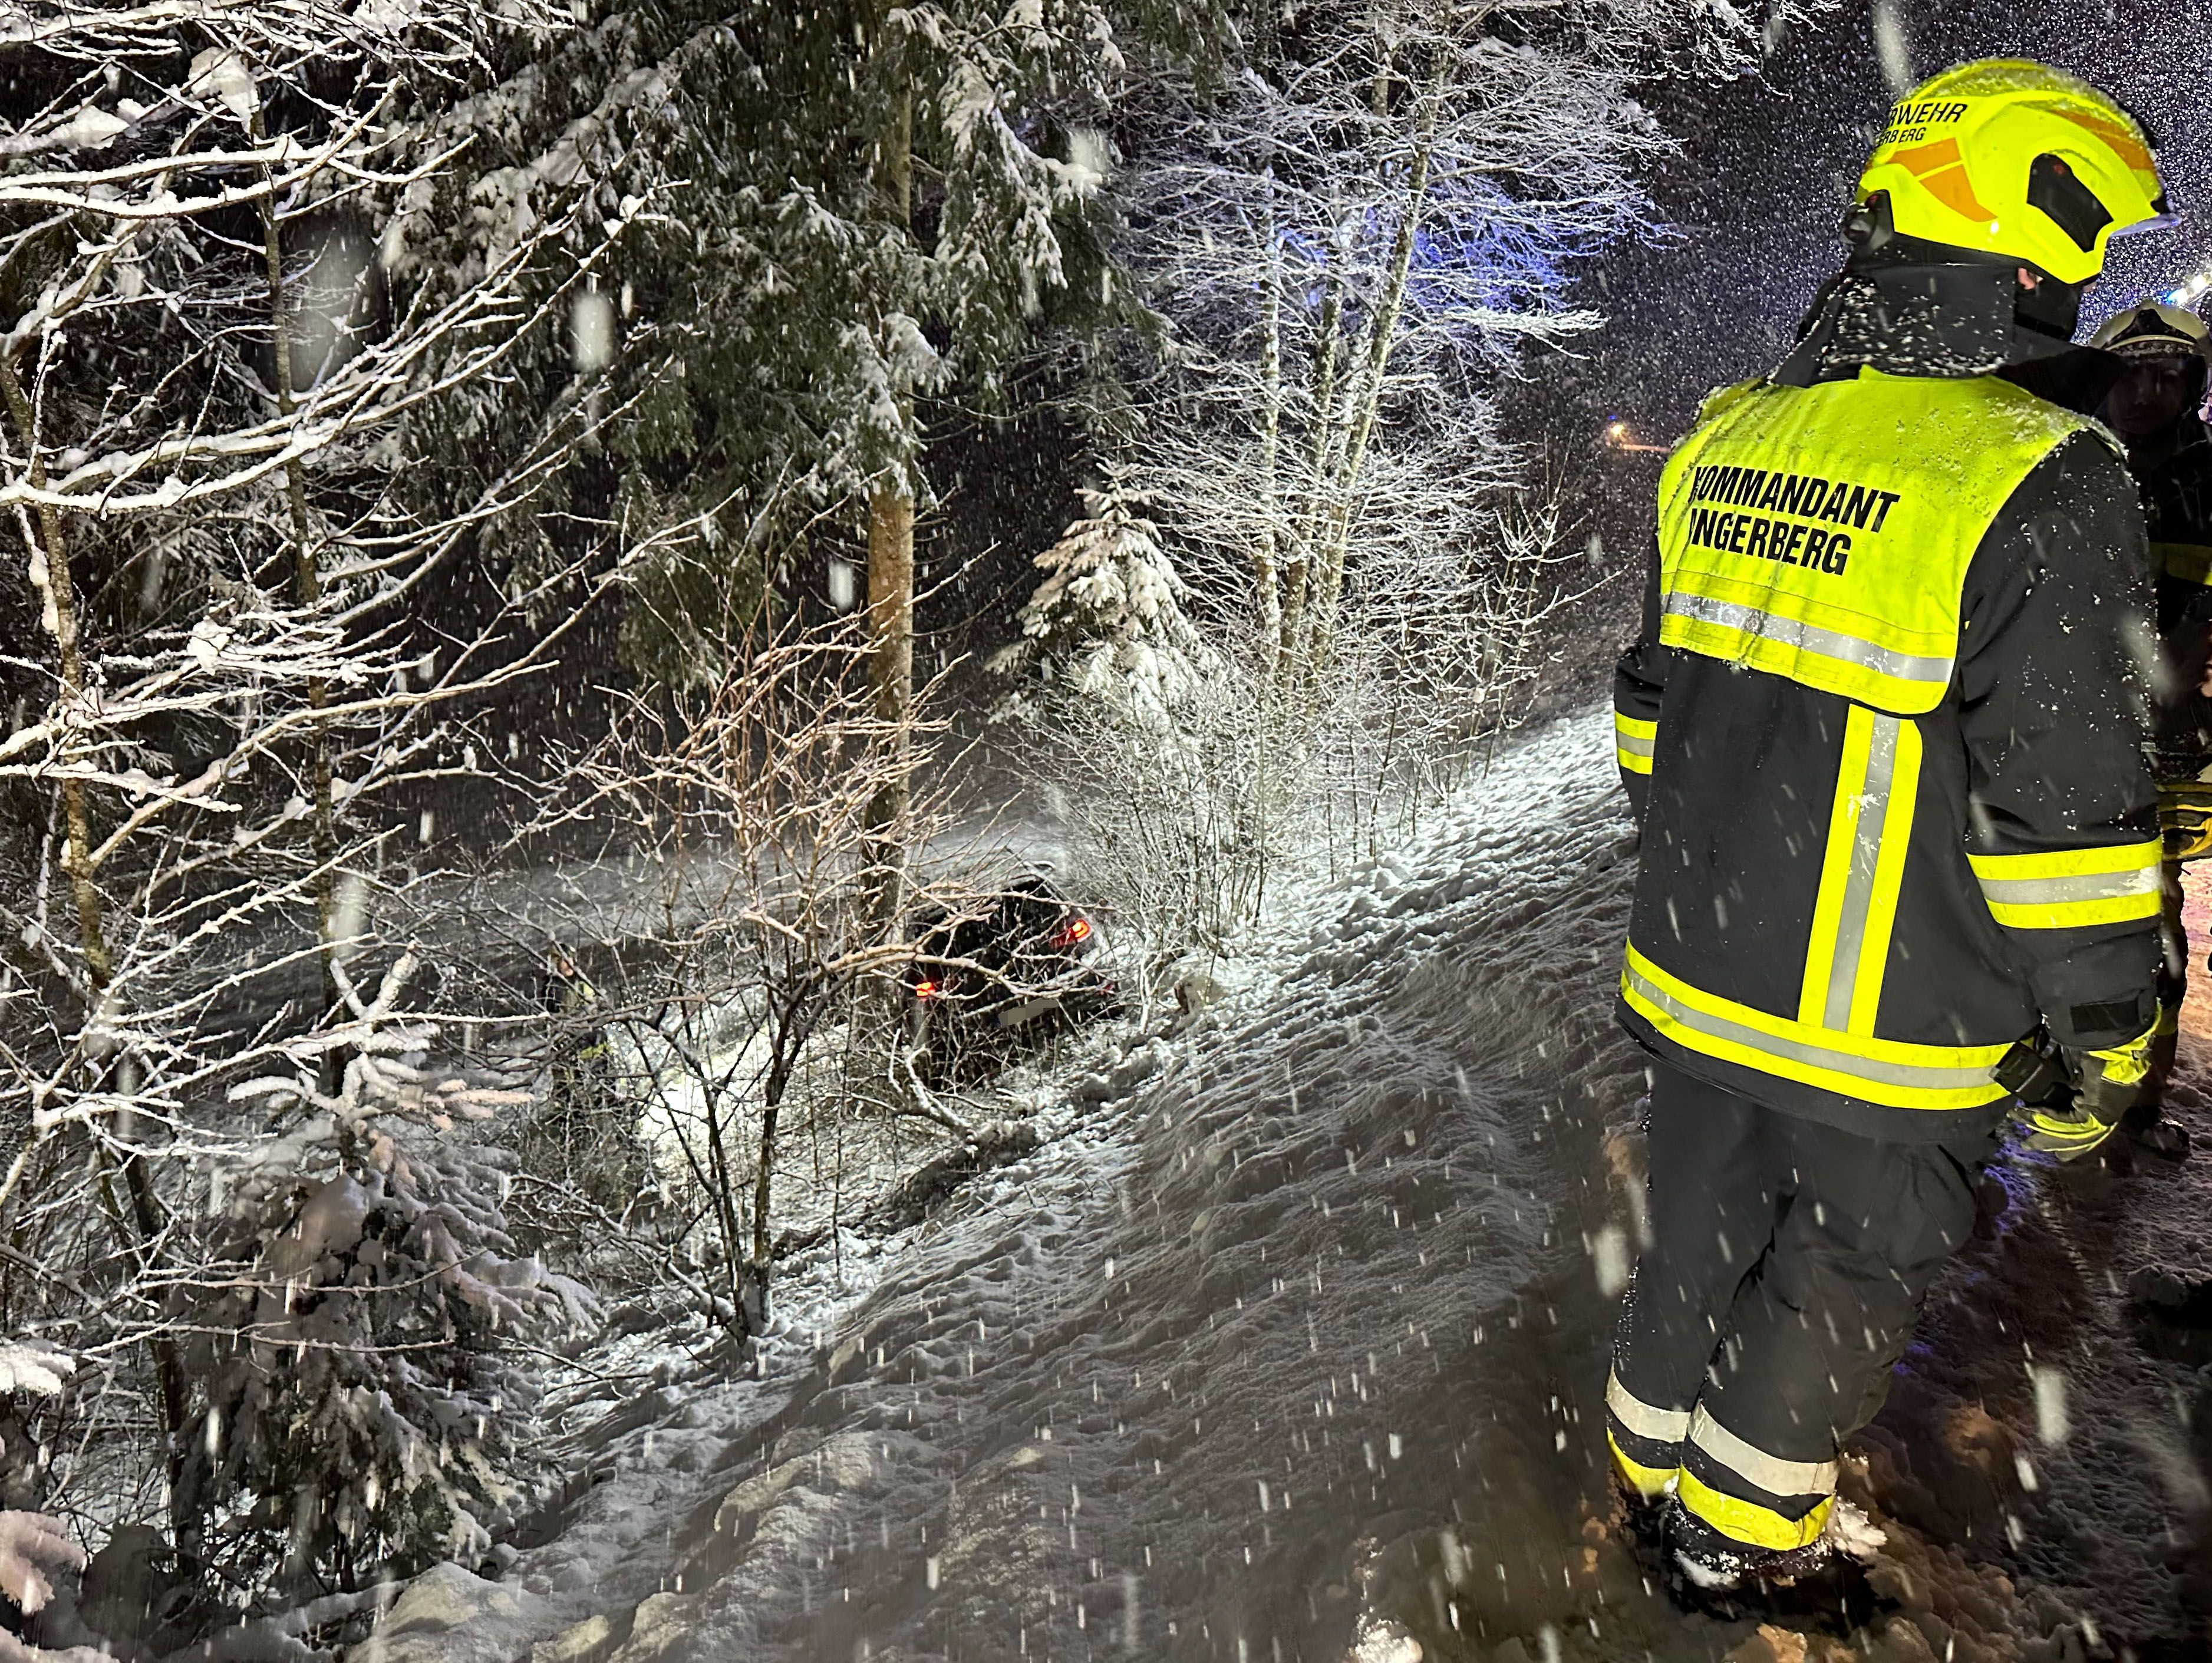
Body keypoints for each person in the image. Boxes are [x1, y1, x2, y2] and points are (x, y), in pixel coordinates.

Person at [1605, 60, 2171, 1600]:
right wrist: (2110, 1044)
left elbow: (1649, 727)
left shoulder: (1732, 437)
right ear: (2026, 244)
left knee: (1695, 1240)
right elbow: (2070, 833)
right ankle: (1731, 1545)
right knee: (1851, 1271)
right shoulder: (2041, 481)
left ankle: (1646, 1476)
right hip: (1888, 1028)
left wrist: (1737, 875)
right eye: (2078, 246)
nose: (2084, 276)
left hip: (1697, 974)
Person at [2086, 301, 2212, 1150]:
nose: (2145, 391)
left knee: (2153, 920)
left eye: (2166, 374)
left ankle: (2132, 1101)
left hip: (2183, 743)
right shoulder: (2070, 474)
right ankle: (2100, 1090)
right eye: (2130, 372)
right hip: (2083, 736)